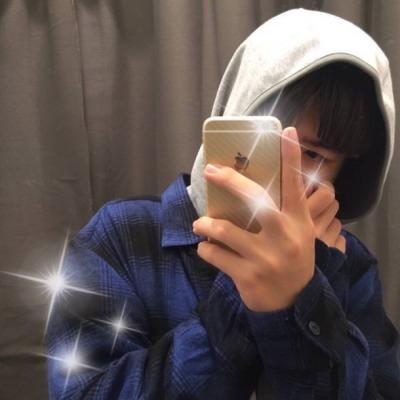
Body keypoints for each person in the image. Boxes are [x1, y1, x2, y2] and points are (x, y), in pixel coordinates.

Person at [47, 9, 399, 399]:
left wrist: (308, 294)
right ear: (235, 122)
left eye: (315, 156)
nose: (289, 171)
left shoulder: (351, 266)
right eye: (270, 142)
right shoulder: (120, 238)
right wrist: (247, 292)